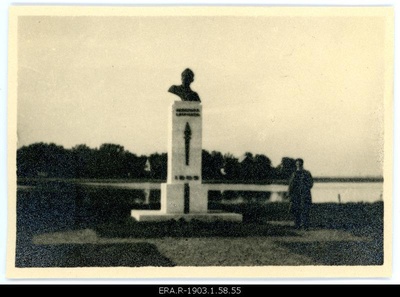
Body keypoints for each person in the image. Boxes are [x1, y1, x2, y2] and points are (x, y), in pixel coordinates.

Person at [288, 158, 314, 230]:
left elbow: (311, 183)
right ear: (296, 165)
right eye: (297, 164)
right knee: (296, 210)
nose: (298, 165)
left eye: (300, 164)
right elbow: (291, 185)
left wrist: (304, 188)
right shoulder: (294, 174)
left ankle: (305, 226)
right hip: (296, 195)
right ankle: (297, 225)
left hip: (305, 195)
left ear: (302, 164)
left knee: (305, 210)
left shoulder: (307, 173)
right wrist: (289, 194)